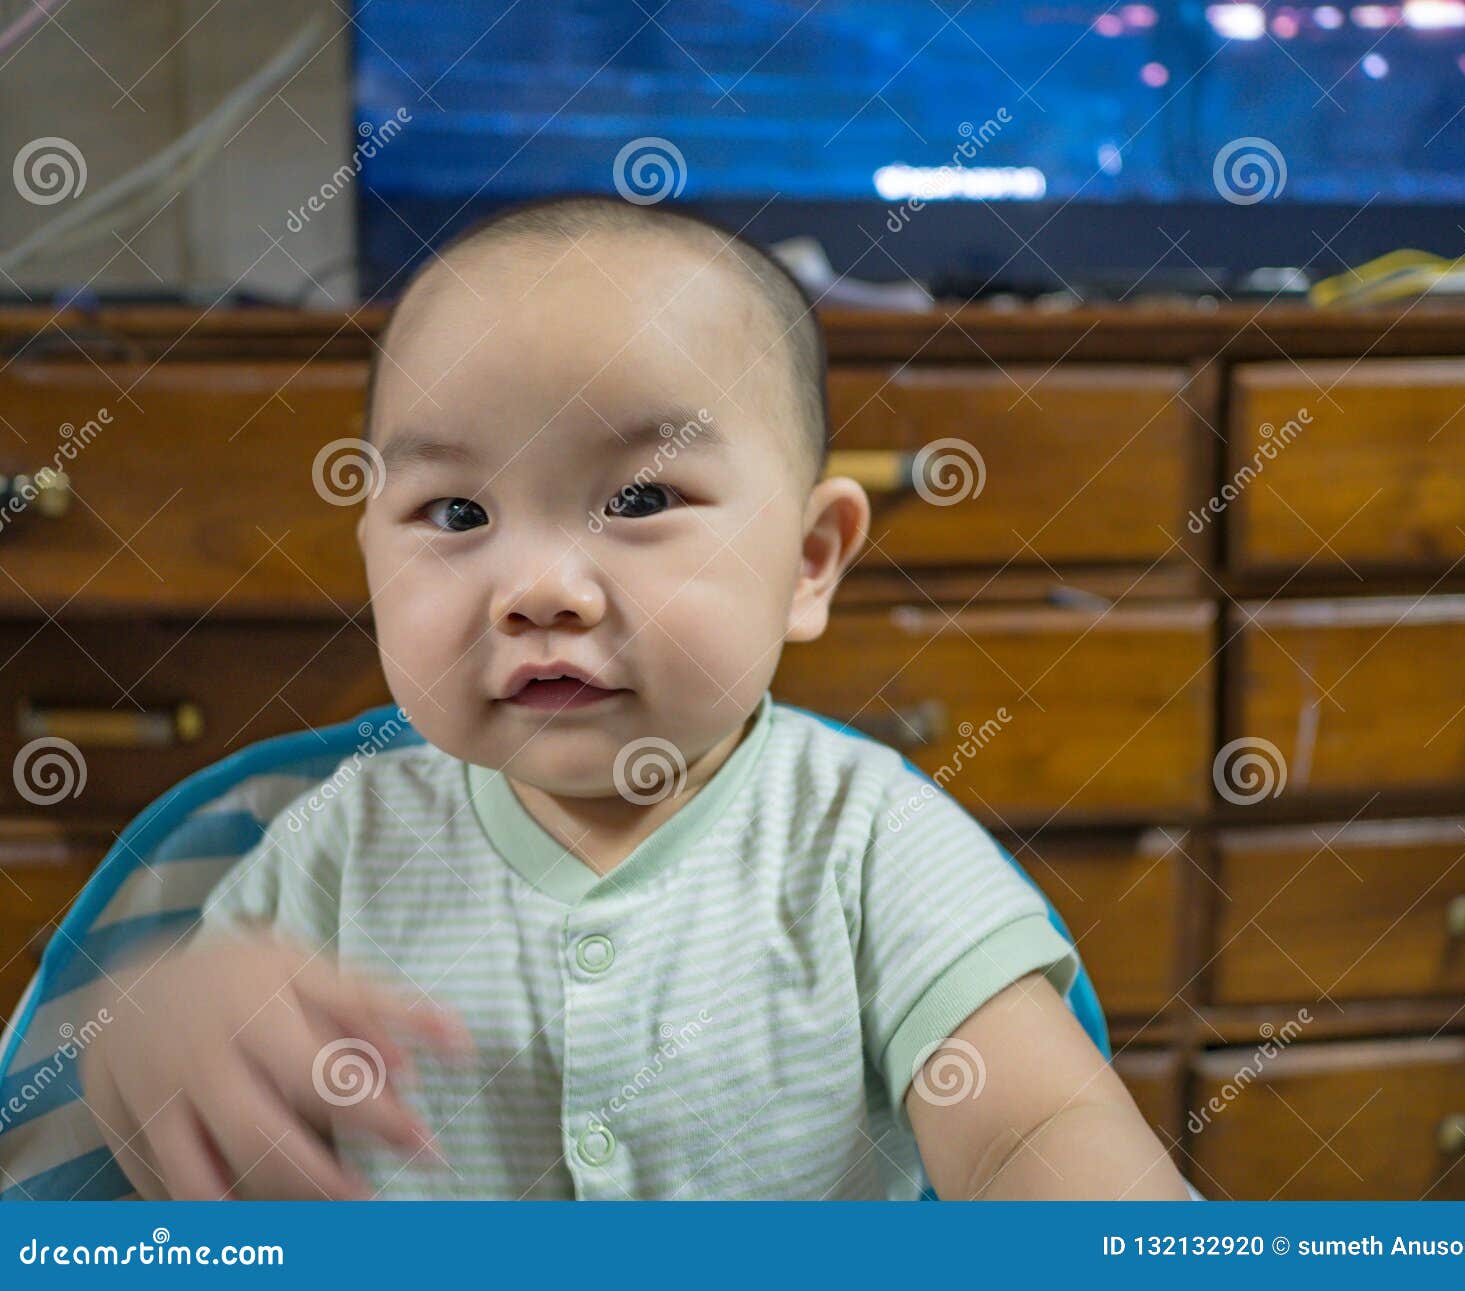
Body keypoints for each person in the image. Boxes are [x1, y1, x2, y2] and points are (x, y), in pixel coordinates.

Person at [80, 194, 1189, 1202]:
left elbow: (1028, 1128)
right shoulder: (326, 845)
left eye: (642, 497)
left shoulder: (867, 843)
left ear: (809, 560)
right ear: (369, 548)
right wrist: (156, 1036)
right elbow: (214, 1181)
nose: (541, 590)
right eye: (456, 514)